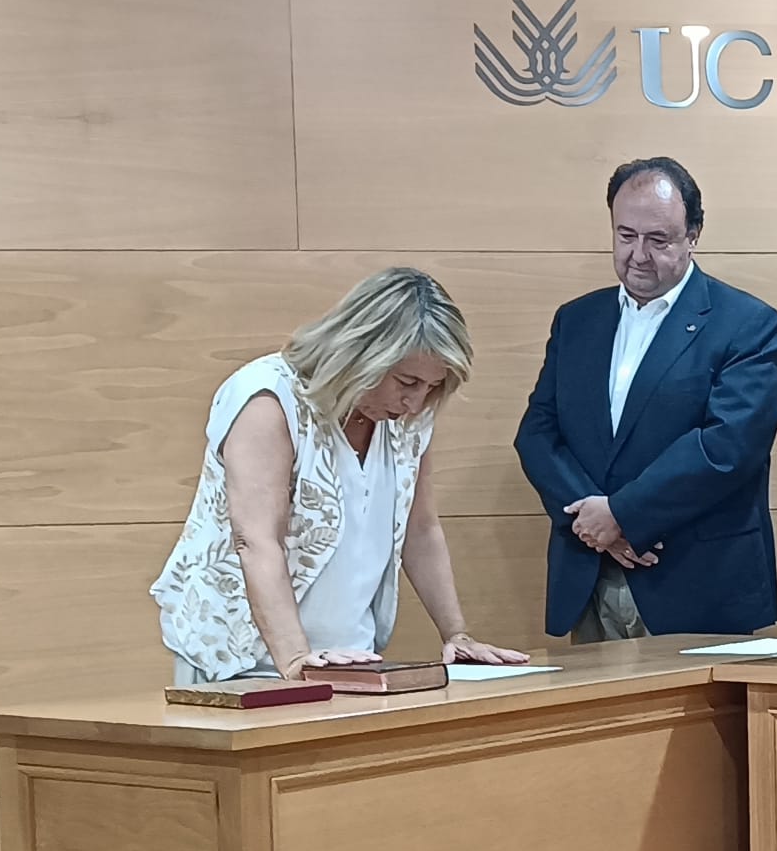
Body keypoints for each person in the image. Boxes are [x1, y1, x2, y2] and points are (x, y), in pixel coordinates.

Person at [152, 267, 530, 682]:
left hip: (349, 657)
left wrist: (456, 633)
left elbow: (420, 529)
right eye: (407, 381)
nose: (416, 401)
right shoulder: (268, 397)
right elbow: (256, 539)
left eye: (431, 386)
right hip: (239, 659)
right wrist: (295, 658)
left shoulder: (409, 418)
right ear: (363, 353)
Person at [514, 157, 777, 641]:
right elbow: (538, 433)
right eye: (625, 236)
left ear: (693, 235)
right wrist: (593, 522)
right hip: (590, 573)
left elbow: (726, 448)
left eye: (658, 240)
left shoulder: (747, 324)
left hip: (696, 584)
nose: (638, 255)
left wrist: (622, 514)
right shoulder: (576, 321)